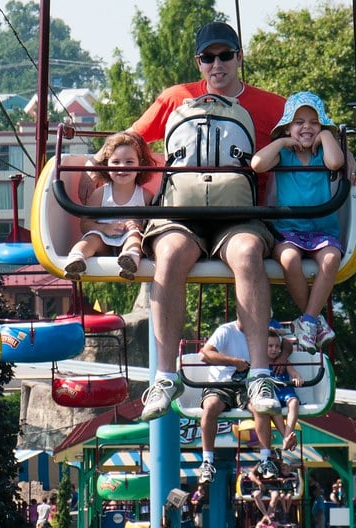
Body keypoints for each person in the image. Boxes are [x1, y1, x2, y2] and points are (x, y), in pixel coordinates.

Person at [131, 22, 288, 422]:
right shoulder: (176, 99)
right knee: (168, 255)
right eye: (208, 58)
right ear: (198, 62)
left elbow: (313, 135)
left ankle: (259, 373)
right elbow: (130, 141)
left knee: (250, 252)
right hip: (184, 212)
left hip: (239, 211)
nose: (217, 65)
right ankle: (166, 376)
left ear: (239, 57)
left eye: (225, 55)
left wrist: (346, 154)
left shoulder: (272, 105)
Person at [251, 91, 345, 353]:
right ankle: (314, 320)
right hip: (288, 229)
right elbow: (258, 164)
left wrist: (326, 134)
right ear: (288, 128)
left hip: (320, 228)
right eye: (299, 122)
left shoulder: (322, 154)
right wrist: (281, 143)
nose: (307, 127)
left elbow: (336, 162)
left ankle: (307, 321)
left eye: (314, 122)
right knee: (289, 259)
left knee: (330, 259)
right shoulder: (285, 155)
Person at [195, 317, 282, 484]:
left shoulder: (262, 331)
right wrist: (234, 362)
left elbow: (285, 345)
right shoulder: (226, 331)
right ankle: (207, 461)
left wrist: (280, 357)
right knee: (211, 406)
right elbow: (204, 354)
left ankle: (265, 459)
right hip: (221, 384)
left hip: (247, 384)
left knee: (260, 406)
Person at [64, 131, 155, 281]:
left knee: (134, 238)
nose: (122, 167)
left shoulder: (145, 196)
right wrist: (104, 229)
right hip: (103, 240)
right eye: (116, 162)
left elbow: (152, 223)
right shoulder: (100, 194)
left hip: (129, 236)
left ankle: (129, 259)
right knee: (91, 239)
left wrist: (139, 226)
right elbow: (85, 224)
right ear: (107, 166)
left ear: (140, 166)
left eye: (129, 162)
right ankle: (76, 258)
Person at [266, 328, 302, 452]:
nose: (274, 349)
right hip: (272, 394)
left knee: (294, 402)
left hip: (285, 392)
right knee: (273, 406)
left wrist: (297, 378)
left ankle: (287, 435)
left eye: (277, 346)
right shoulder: (261, 364)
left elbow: (295, 374)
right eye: (270, 346)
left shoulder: (284, 362)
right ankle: (286, 437)